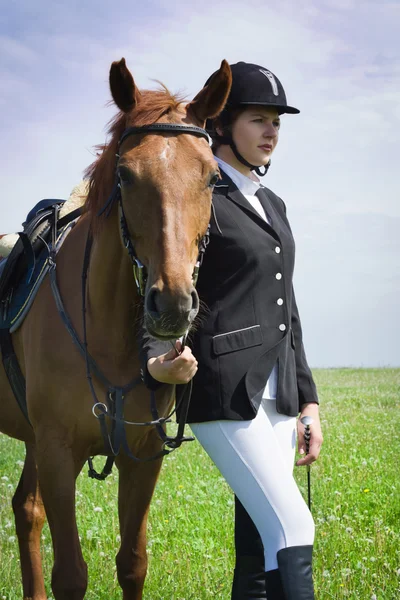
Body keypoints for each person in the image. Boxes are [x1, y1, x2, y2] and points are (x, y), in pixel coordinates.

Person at [139, 62, 323, 600]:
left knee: (261, 546)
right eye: (258, 120)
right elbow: (157, 287)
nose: (271, 132)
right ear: (221, 126)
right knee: (294, 527)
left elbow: (288, 304)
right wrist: (156, 360)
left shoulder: (274, 204)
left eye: (277, 123)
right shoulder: (196, 196)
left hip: (279, 394)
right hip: (223, 390)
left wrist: (308, 401)